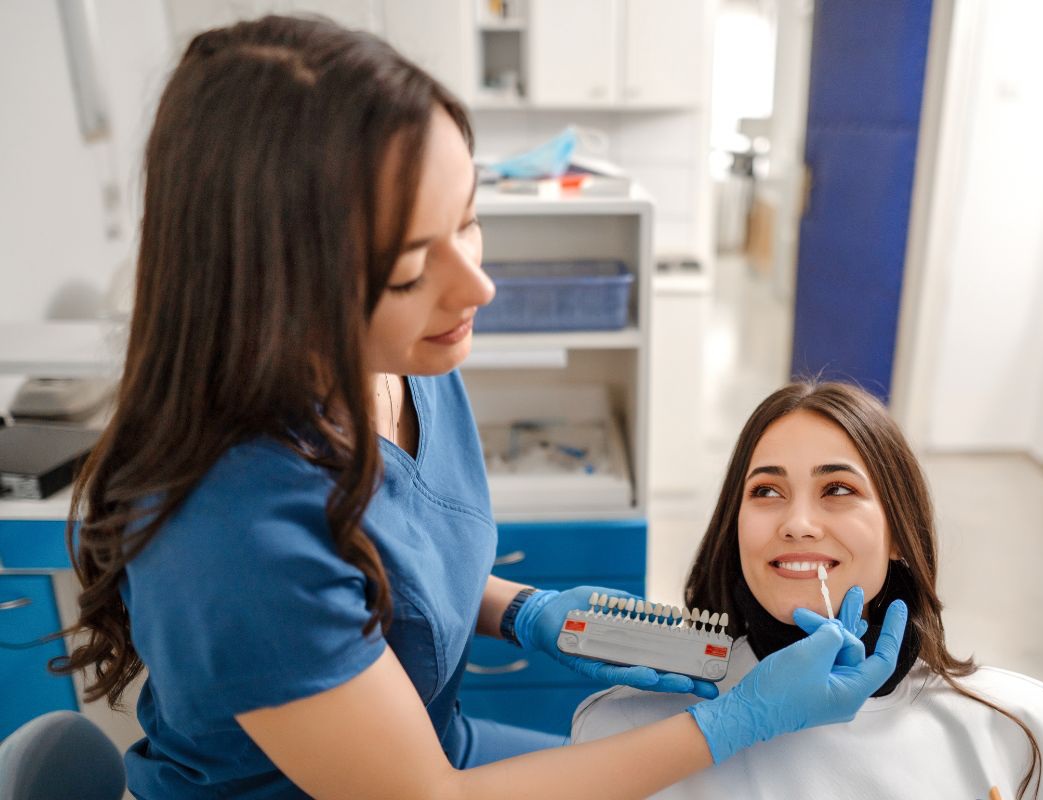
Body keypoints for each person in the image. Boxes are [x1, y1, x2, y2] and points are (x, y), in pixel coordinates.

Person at [51, 16, 909, 800]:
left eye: (469, 222)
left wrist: (528, 613)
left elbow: (392, 576)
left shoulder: (401, 361)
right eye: (410, 269)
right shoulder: (235, 534)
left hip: (437, 747)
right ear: (284, 291)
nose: (480, 286)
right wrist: (738, 721)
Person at [573, 381, 1043, 800]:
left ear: (897, 534)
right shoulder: (622, 728)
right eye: (766, 490)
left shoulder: (1024, 730)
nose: (799, 523)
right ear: (733, 526)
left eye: (837, 488)